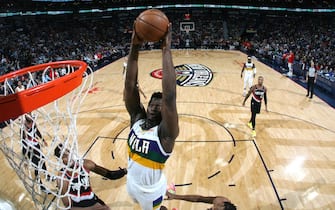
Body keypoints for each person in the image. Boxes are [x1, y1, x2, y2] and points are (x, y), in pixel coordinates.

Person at [123, 22, 179, 210]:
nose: (155, 108)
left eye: (160, 106)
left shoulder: (166, 133)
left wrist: (166, 49)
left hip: (151, 192)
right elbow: (130, 85)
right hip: (130, 183)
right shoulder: (137, 119)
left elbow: (170, 96)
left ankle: (165, 199)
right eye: (152, 104)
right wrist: (134, 46)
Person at [54, 143, 127, 210]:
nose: (68, 157)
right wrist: (93, 209)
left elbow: (110, 175)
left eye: (68, 153)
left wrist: (126, 171)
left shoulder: (86, 164)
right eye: (64, 156)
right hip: (79, 207)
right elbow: (69, 207)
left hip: (93, 201)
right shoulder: (62, 178)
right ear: (60, 160)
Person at [20, 114, 50, 193]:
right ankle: (41, 186)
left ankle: (48, 175)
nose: (32, 124)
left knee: (43, 160)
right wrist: (25, 159)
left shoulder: (33, 124)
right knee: (37, 167)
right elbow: (23, 147)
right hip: (30, 151)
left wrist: (43, 140)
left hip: (37, 147)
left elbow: (37, 132)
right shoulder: (23, 132)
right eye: (30, 123)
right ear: (26, 123)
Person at [165, 190, 236, 210]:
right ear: (223, 204)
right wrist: (175, 196)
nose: (213, 208)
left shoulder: (221, 204)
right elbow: (198, 198)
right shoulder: (221, 200)